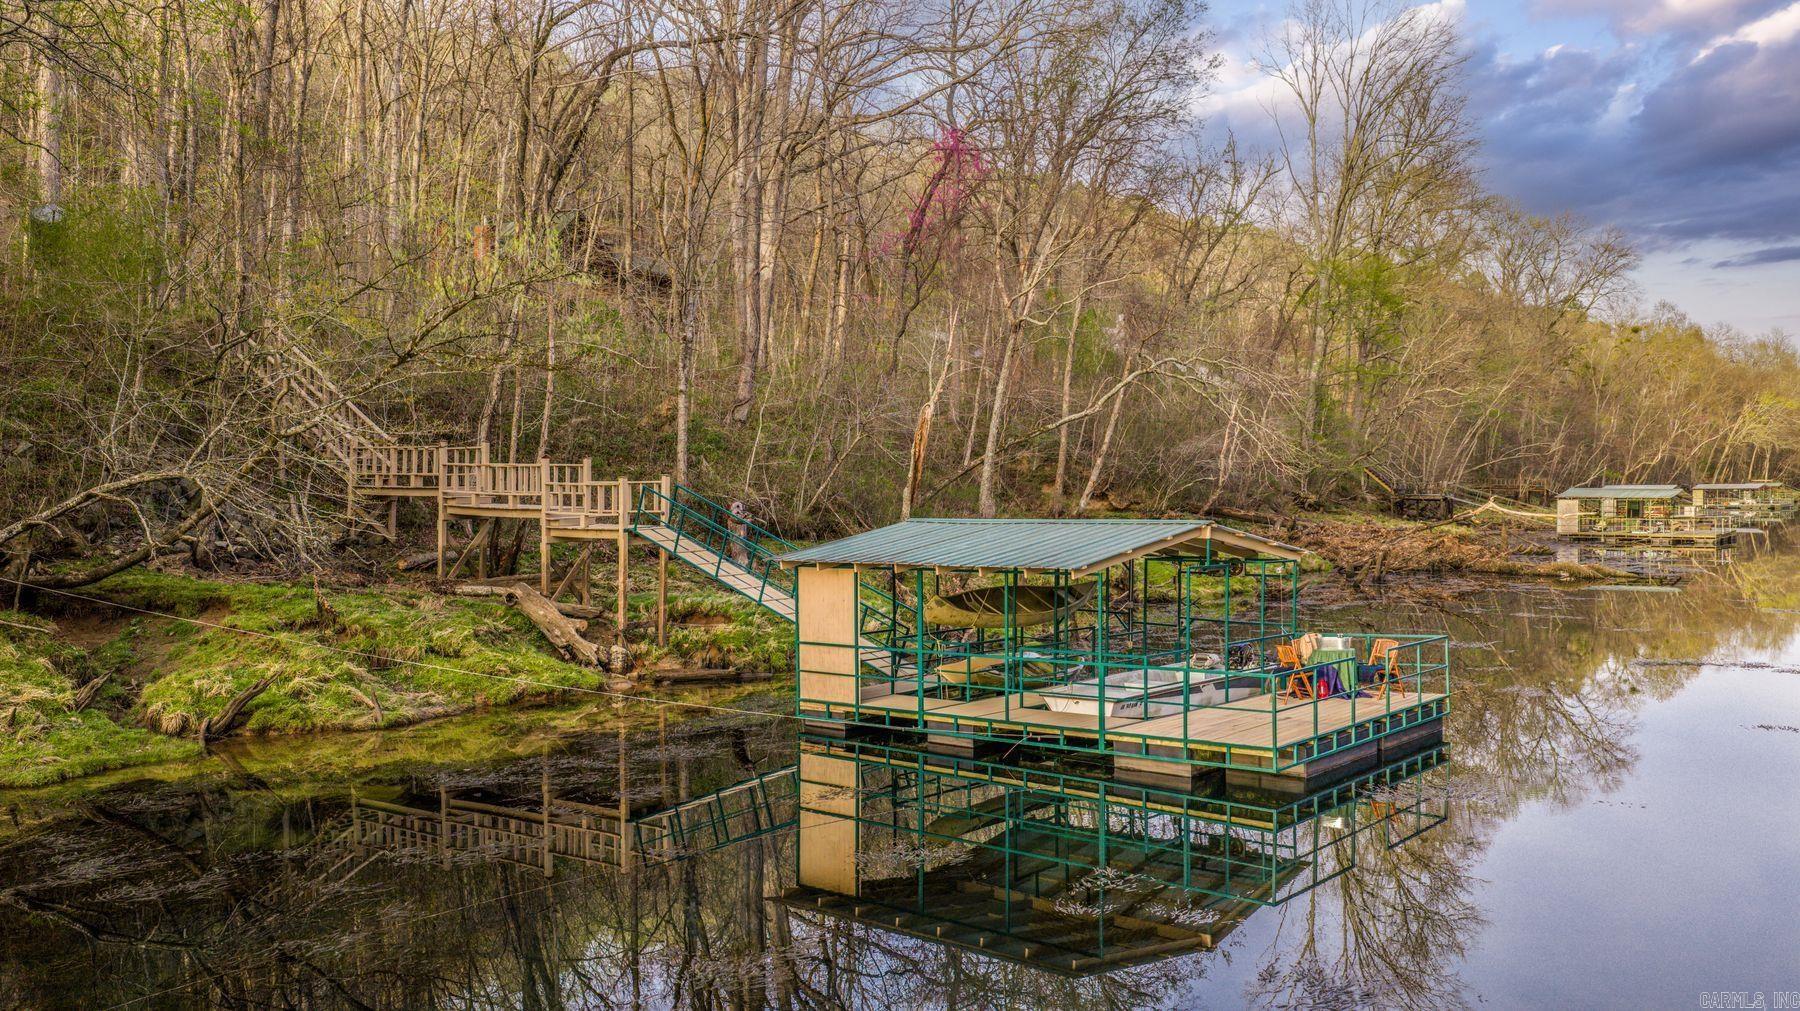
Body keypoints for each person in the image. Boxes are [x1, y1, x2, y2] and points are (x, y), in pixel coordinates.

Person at [728, 500, 751, 568]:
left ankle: (743, 564)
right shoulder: (732, 516)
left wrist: (746, 518)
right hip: (736, 535)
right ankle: (738, 564)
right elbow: (736, 520)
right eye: (738, 507)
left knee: (742, 549)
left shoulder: (741, 513)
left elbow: (744, 520)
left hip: (742, 535)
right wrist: (745, 519)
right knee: (737, 548)